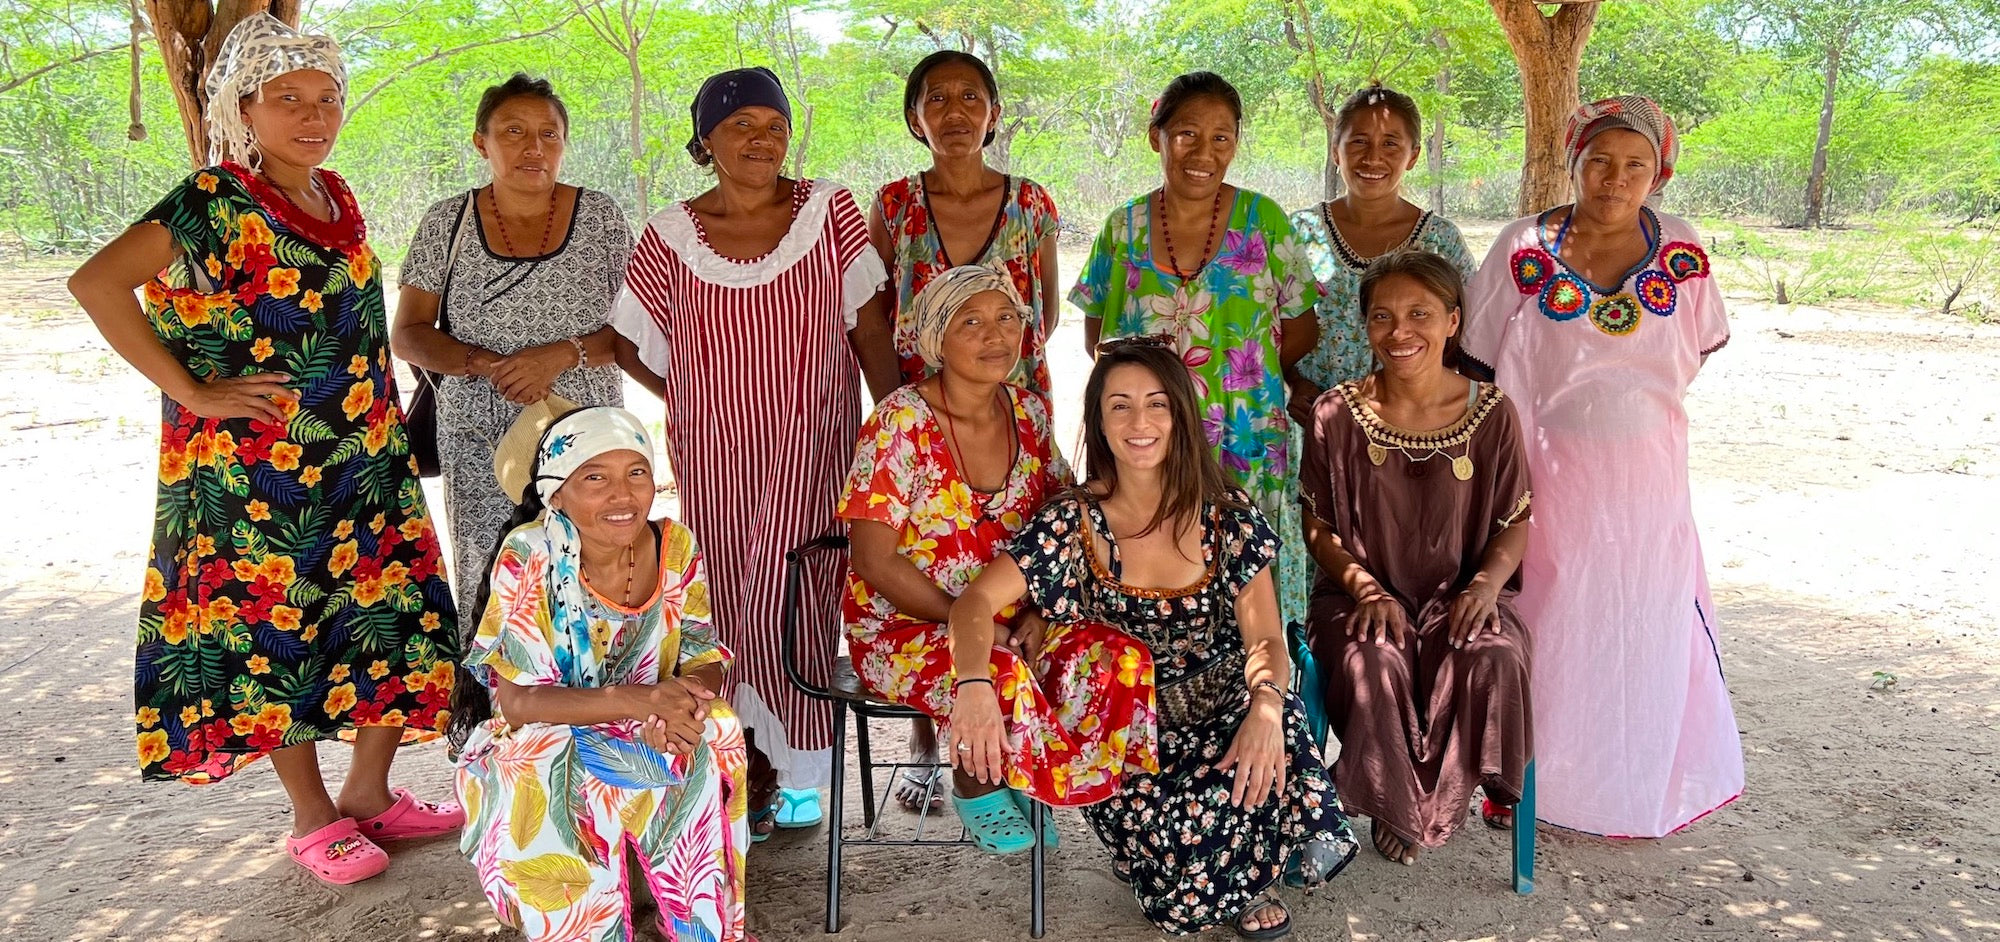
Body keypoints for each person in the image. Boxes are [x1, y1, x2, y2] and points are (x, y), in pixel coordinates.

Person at [66, 13, 459, 884]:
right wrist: (192, 391)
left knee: (391, 618)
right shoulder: (213, 201)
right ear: (245, 106)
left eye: (326, 98)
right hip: (258, 475)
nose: (313, 115)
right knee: (277, 635)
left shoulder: (335, 194)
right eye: (288, 100)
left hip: (362, 460)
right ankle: (312, 816)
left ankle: (368, 792)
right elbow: (96, 282)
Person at [951, 338, 1355, 939]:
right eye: (1120, 406)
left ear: (1181, 417)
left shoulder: (1228, 516)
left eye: (1156, 404)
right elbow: (975, 602)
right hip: (1130, 739)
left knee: (1276, 722)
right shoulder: (1072, 522)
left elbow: (1265, 635)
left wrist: (1266, 708)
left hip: (1227, 710)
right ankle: (1210, 864)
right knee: (1184, 900)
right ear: (1099, 422)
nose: (1140, 423)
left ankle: (1237, 873)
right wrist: (974, 682)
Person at [611, 66, 900, 838]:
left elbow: (869, 327)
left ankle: (800, 772)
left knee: (801, 588)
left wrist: (895, 420)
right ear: (706, 140)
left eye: (773, 125)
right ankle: (741, 770)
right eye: (741, 126)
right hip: (714, 453)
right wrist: (690, 392)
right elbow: (630, 339)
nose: (761, 139)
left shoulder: (827, 210)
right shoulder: (671, 234)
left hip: (815, 443)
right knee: (723, 594)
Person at [1463, 95, 1741, 838]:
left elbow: (1693, 350)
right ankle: (1534, 777)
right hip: (1548, 476)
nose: (1614, 180)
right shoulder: (1523, 245)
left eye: (1635, 166)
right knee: (1550, 617)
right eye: (1599, 162)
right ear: (1574, 161)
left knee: (1643, 619)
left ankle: (1634, 778)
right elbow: (1478, 358)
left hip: (1649, 479)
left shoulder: (1680, 247)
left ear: (1660, 173)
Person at [839, 266, 1151, 848]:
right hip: (904, 629)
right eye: (972, 322)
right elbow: (874, 561)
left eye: (1007, 318)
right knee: (999, 673)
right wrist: (974, 623)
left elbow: (1061, 524)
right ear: (936, 337)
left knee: (1121, 656)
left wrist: (1039, 613)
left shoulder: (1029, 413)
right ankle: (980, 780)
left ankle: (1056, 781)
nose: (996, 336)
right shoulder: (899, 422)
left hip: (1009, 617)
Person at [455, 405, 746, 942]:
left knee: (715, 728)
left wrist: (688, 705)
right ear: (555, 493)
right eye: (595, 478)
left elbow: (703, 652)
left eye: (637, 472)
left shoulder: (674, 543)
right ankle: (579, 925)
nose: (623, 495)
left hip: (649, 714)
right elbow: (519, 704)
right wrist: (643, 701)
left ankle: (696, 920)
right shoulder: (530, 554)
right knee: (540, 755)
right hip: (553, 722)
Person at [1069, 71, 1321, 668]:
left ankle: (1259, 718)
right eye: (1186, 133)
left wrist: (1243, 376)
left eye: (1221, 138)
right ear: (1156, 138)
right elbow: (1098, 338)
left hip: (1245, 438)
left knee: (1245, 596)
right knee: (1158, 590)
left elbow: (1302, 327)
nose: (1203, 153)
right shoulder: (1123, 228)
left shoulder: (1265, 221)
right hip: (1146, 440)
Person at [391, 73, 635, 670]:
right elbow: (409, 332)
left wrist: (559, 355)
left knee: (597, 562)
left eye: (548, 135)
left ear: (564, 143)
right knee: (492, 570)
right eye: (513, 133)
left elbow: (637, 327)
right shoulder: (446, 221)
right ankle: (496, 727)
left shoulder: (600, 216)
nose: (533, 148)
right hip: (480, 435)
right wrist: (484, 364)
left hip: (587, 437)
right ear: (482, 143)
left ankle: (606, 717)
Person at [1299, 251, 1533, 866]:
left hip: (1463, 594)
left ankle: (1414, 800)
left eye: (1419, 314)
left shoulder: (1493, 414)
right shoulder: (1335, 414)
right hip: (1359, 596)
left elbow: (1515, 523)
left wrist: (1483, 588)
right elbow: (1318, 528)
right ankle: (1396, 801)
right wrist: (1366, 589)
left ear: (1453, 321)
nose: (1400, 332)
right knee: (1372, 661)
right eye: (1382, 317)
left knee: (1494, 654)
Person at [871, 50, 1061, 402]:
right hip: (923, 411)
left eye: (970, 97)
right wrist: (896, 405)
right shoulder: (894, 205)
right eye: (938, 98)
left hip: (1013, 403)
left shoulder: (1029, 203)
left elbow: (1044, 314)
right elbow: (876, 320)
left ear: (993, 116)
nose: (955, 112)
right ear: (916, 120)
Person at [1289, 83, 1476, 403]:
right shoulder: (1299, 232)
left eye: (1390, 143)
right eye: (1359, 141)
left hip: (1411, 421)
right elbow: (1267, 328)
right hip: (1313, 419)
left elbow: (1467, 334)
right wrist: (1294, 384)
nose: (1373, 157)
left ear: (1413, 155)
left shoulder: (1440, 241)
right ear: (1336, 151)